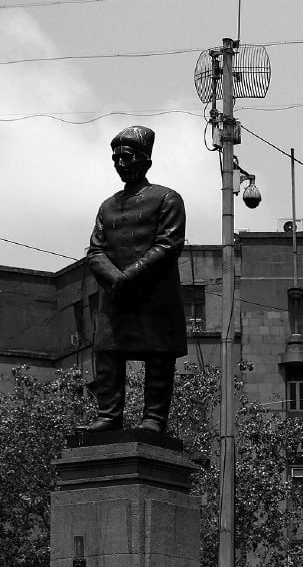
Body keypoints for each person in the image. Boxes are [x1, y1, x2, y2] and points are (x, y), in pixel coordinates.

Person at [84, 125, 187, 433]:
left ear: (145, 161)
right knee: (108, 352)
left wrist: (129, 276)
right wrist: (115, 280)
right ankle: (109, 414)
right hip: (116, 295)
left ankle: (154, 418)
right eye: (115, 157)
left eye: (126, 157)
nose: (120, 163)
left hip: (154, 296)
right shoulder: (107, 206)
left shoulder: (167, 198)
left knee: (158, 356)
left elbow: (168, 244)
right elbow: (95, 251)